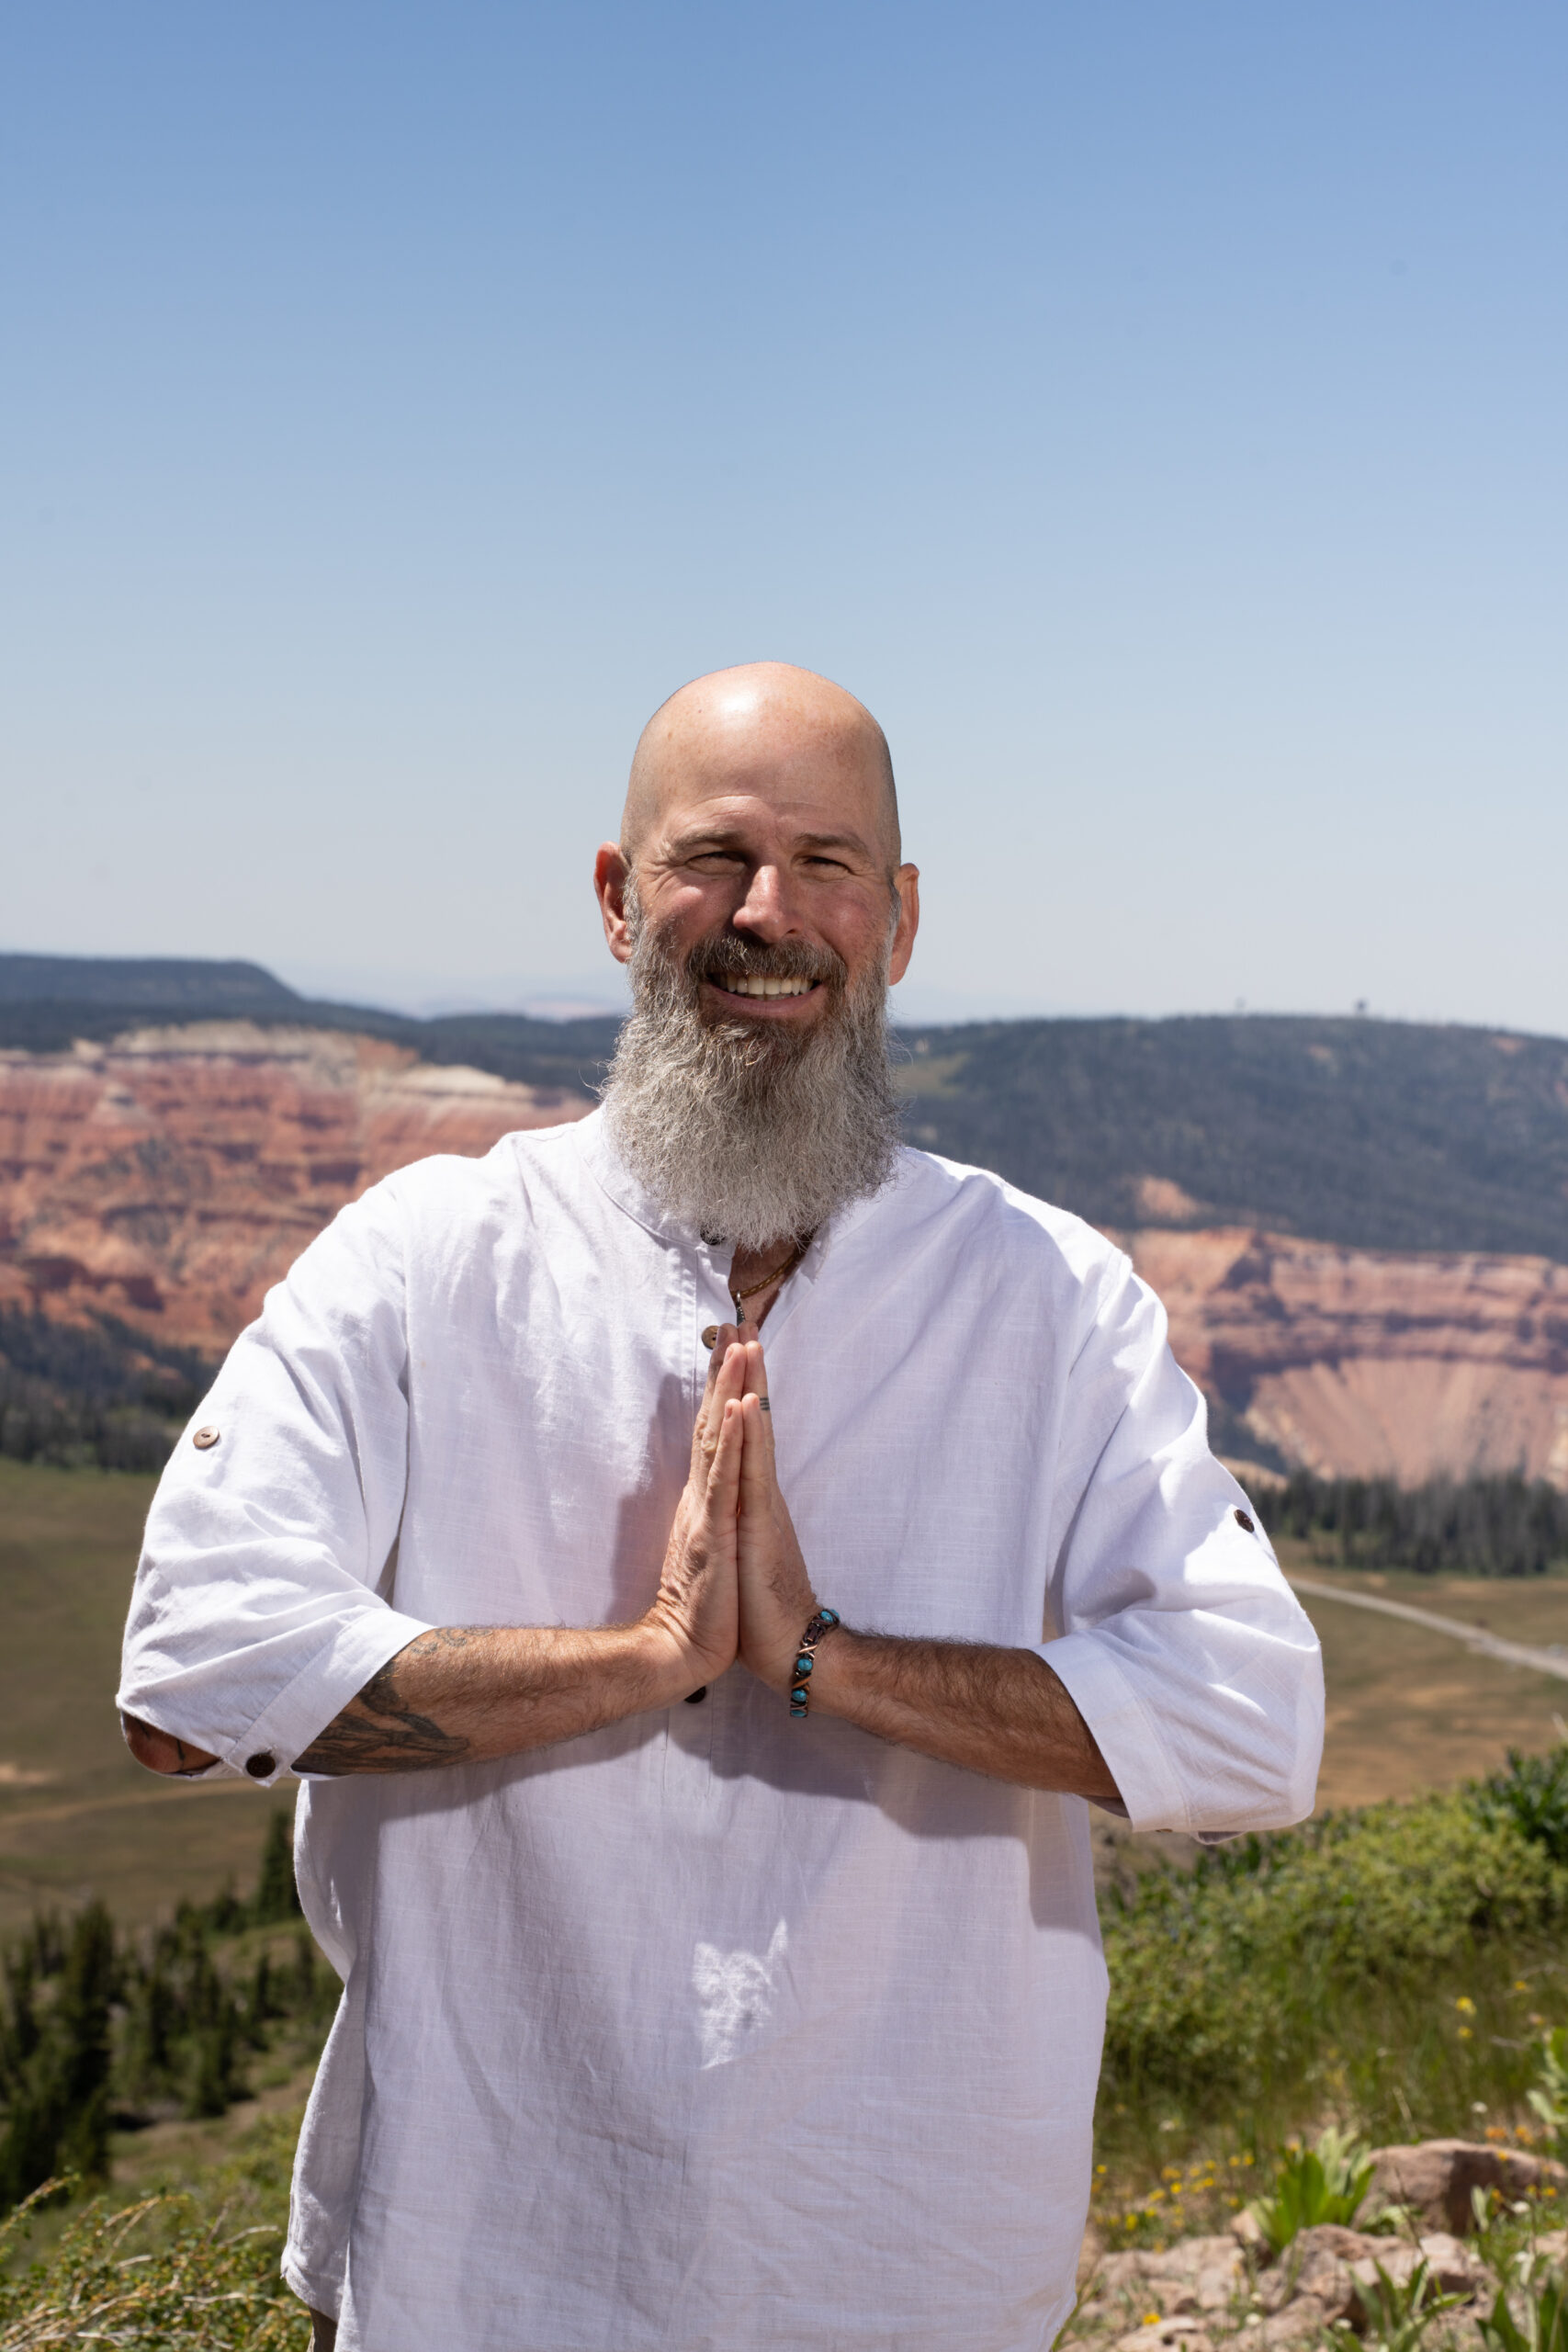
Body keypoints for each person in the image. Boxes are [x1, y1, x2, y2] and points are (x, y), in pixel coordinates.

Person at [118, 662, 1323, 2352]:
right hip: (482, 2250)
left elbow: (1257, 1727)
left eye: (830, 864)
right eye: (714, 858)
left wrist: (819, 1658)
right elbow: (191, 1684)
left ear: (899, 921)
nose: (772, 916)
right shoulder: (427, 1258)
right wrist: (648, 1655)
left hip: (916, 2258)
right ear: (618, 900)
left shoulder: (1049, 1297)